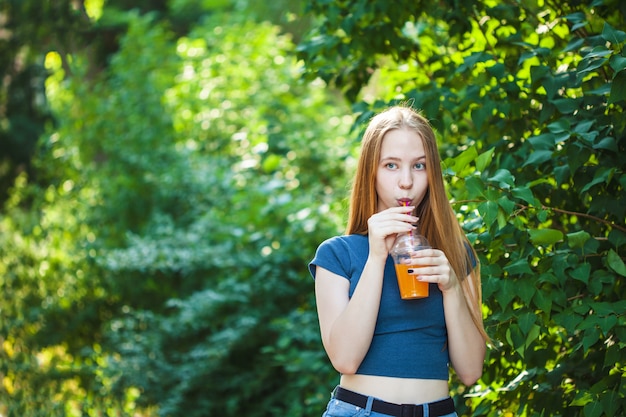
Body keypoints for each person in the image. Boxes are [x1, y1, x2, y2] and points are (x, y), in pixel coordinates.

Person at [308, 105, 490, 417]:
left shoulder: (456, 255)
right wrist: (377, 258)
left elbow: (471, 371)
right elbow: (345, 359)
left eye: (419, 166)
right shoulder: (337, 254)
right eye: (391, 165)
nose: (406, 182)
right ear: (371, 172)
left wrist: (451, 288)